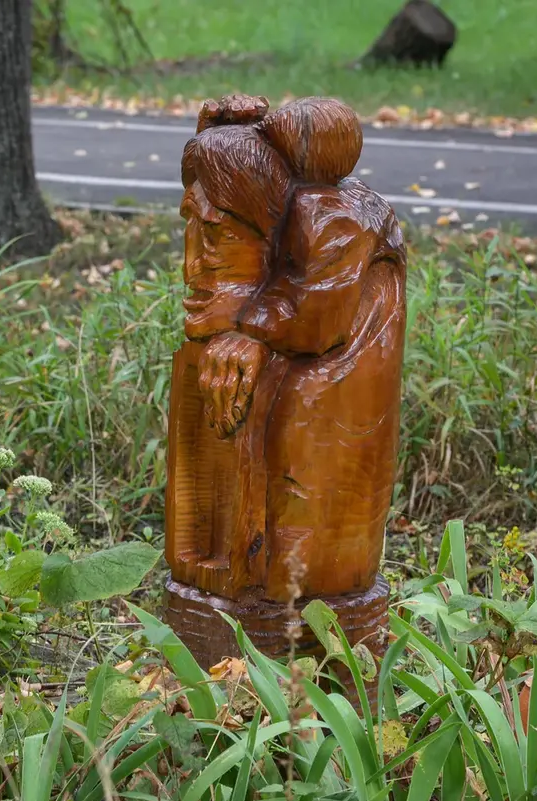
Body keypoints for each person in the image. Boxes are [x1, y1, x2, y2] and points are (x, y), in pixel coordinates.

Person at [165, 94, 406, 609]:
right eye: (190, 229)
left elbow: (320, 302)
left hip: (304, 609)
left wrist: (254, 332)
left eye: (214, 234)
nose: (191, 267)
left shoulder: (334, 221)